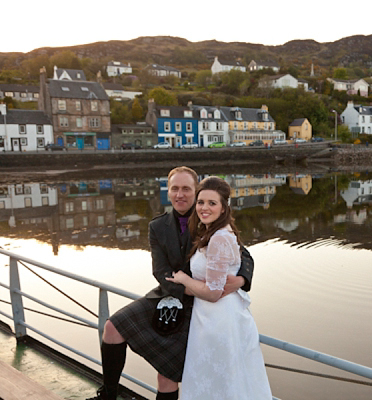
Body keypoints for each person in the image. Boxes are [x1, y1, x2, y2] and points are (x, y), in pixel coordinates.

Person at [88, 167, 253, 400]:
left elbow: (243, 255)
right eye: (174, 188)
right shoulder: (157, 226)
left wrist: (241, 279)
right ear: (168, 191)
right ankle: (108, 395)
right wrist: (191, 289)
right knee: (112, 327)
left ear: (196, 191)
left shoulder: (209, 218)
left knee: (166, 375)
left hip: (201, 306)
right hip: (171, 292)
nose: (180, 194)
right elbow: (160, 271)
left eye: (186, 189)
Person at [166, 176, 271, 399]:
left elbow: (214, 292)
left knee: (221, 383)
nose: (204, 208)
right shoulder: (210, 231)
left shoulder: (219, 237)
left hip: (219, 321)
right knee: (219, 382)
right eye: (201, 202)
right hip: (209, 318)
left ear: (224, 208)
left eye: (211, 203)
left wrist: (184, 279)